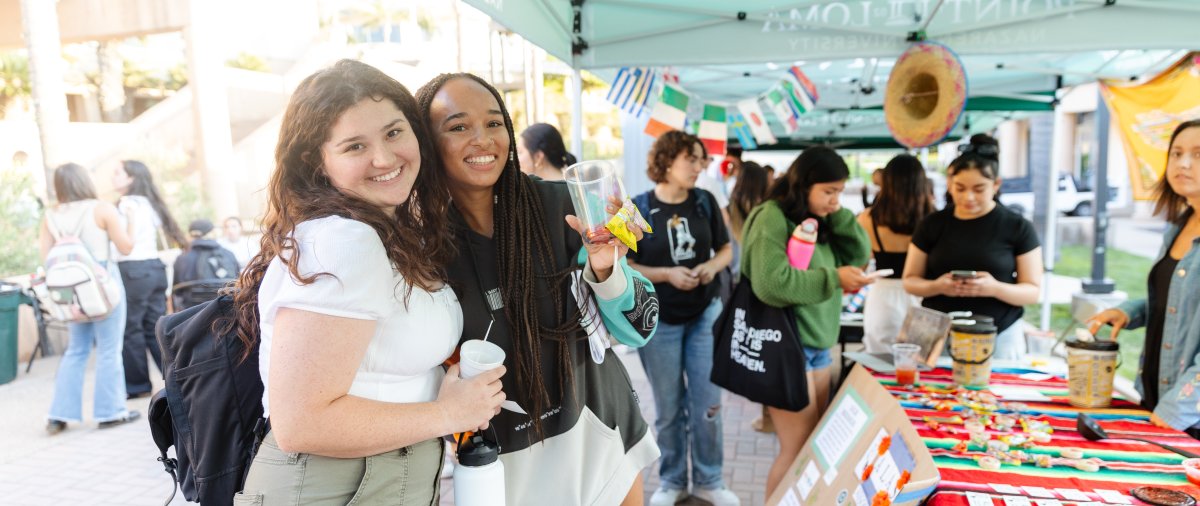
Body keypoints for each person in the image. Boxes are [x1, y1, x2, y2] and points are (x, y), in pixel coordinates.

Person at [229, 60, 505, 504]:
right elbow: (302, 422)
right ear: (316, 161)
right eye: (355, 146)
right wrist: (447, 413)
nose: (384, 158)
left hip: (377, 479)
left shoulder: (387, 231)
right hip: (338, 486)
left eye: (394, 132)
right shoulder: (344, 240)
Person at [416, 73, 660, 506]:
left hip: (599, 435)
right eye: (458, 127)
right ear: (426, 143)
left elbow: (639, 330)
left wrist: (609, 269)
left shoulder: (565, 206)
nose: (482, 139)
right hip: (507, 465)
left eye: (494, 123)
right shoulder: (421, 247)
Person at [740, 146, 872, 497]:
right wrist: (834, 279)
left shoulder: (817, 218)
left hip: (817, 346)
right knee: (798, 449)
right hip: (786, 347)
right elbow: (771, 283)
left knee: (813, 446)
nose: (835, 200)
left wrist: (836, 211)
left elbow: (860, 255)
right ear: (803, 185)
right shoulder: (772, 216)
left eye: (840, 192)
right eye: (829, 191)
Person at [626, 130, 738, 506]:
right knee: (669, 408)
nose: (699, 166)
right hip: (658, 321)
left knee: (708, 405)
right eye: (691, 158)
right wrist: (666, 275)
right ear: (667, 160)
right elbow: (619, 263)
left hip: (705, 314)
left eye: (701, 159)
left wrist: (709, 267)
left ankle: (710, 479)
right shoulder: (636, 206)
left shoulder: (705, 201)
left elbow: (726, 249)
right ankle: (672, 480)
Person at [1086, 119, 1200, 437]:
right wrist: (1131, 311)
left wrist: (1176, 410)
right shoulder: (1178, 226)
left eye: (1198, 154)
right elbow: (1175, 301)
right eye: (1176, 153)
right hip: (1156, 397)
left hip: (1185, 415)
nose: (1183, 163)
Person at [902, 151, 1042, 361]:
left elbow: (1032, 291)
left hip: (999, 334)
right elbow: (910, 280)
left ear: (996, 185)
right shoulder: (931, 224)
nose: (968, 197)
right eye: (960, 188)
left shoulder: (1017, 226)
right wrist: (938, 286)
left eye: (979, 189)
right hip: (937, 334)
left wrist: (994, 288)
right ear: (949, 184)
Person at [40, 163, 140, 434]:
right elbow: (126, 247)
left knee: (76, 350)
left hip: (71, 293)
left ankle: (58, 415)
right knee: (108, 350)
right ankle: (111, 412)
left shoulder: (51, 216)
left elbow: (45, 257)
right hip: (104, 288)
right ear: (84, 180)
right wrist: (130, 218)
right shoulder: (102, 208)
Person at [111, 159, 186, 399]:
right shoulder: (150, 203)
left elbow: (122, 243)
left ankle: (138, 386)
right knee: (155, 327)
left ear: (131, 178)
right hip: (155, 268)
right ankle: (177, 379)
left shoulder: (126, 204)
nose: (113, 177)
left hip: (132, 270)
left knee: (130, 328)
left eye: (118, 173)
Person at [857, 155, 935, 353]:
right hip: (924, 295)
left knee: (880, 364)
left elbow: (861, 266)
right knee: (921, 364)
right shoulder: (934, 217)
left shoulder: (867, 218)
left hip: (883, 297)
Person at [170, 219, 239, 311]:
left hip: (191, 315)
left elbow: (177, 291)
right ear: (211, 233)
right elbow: (238, 283)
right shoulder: (229, 255)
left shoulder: (182, 258)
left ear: (191, 235)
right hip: (226, 312)